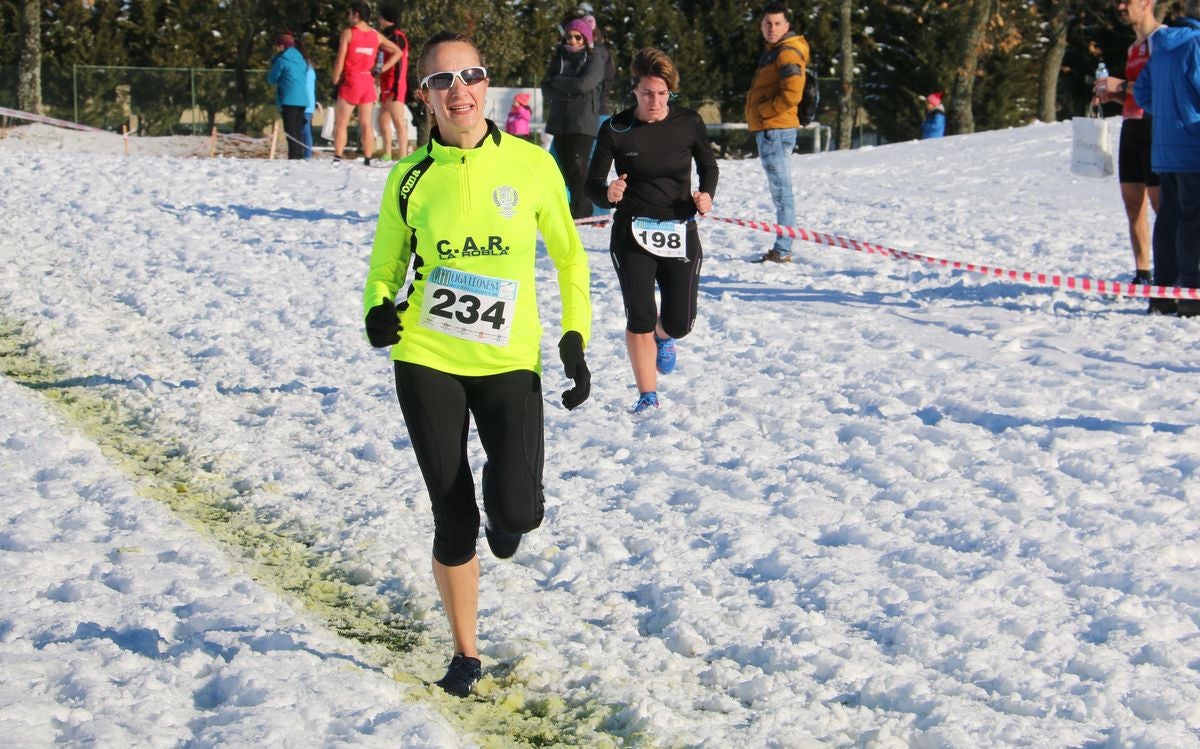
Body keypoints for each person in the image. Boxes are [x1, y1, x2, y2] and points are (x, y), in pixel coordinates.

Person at [361, 31, 592, 697]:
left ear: (487, 86)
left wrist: (576, 336)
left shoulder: (530, 164)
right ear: (424, 95)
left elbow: (571, 256)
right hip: (427, 355)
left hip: (509, 359)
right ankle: (465, 652)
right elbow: (387, 263)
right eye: (442, 80)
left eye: (471, 75)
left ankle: (506, 512)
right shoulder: (409, 177)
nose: (458, 90)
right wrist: (379, 308)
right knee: (452, 512)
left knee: (519, 510)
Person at [586, 48, 718, 415]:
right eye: (647, 93)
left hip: (680, 228)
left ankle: (664, 337)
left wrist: (706, 195)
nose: (655, 101)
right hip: (632, 232)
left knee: (680, 322)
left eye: (662, 94)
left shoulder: (688, 123)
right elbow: (592, 182)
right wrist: (607, 194)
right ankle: (648, 394)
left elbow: (709, 166)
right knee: (640, 315)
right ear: (635, 90)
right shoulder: (616, 128)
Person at [1134, 0, 1200, 316]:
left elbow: (1143, 95)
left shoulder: (1162, 46)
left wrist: (1169, 114)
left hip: (1164, 148)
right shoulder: (1198, 44)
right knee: (1193, 221)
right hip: (1193, 147)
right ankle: (1192, 295)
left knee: (1169, 219)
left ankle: (1163, 293)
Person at [1094, 0, 1164, 288]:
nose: (1121, 6)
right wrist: (1115, 96)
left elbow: (1161, 87)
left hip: (1155, 127)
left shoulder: (1163, 40)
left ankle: (1173, 271)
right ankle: (1143, 271)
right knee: (1132, 203)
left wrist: (1120, 85)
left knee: (1163, 206)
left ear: (1147, 3)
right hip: (1131, 125)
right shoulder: (1133, 48)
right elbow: (1139, 92)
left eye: (1127, 1)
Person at [746, 1, 809, 264]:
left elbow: (793, 94)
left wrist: (763, 112)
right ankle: (783, 247)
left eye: (777, 23)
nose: (772, 28)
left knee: (782, 193)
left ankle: (783, 249)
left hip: (776, 129)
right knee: (781, 192)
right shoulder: (776, 51)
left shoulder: (787, 52)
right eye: (767, 23)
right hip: (773, 128)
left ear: (787, 25)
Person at [541, 18, 606, 219]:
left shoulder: (595, 58)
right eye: (569, 36)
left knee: (578, 167)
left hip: (582, 122)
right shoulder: (559, 58)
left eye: (578, 36)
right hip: (560, 122)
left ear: (586, 39)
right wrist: (568, 90)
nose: (573, 40)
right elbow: (546, 87)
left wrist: (558, 82)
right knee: (565, 169)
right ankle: (579, 206)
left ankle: (581, 210)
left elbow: (584, 85)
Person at [331, 1, 402, 164]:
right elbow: (397, 52)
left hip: (351, 80)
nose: (348, 17)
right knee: (366, 123)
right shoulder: (375, 35)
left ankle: (338, 156)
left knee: (341, 121)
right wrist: (382, 69)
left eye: (349, 13)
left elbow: (339, 60)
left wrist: (335, 80)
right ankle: (368, 157)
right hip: (367, 81)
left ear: (356, 15)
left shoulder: (348, 33)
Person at [267, 32, 309, 160]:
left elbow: (271, 79)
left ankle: (294, 157)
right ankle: (299, 155)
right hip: (303, 99)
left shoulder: (282, 60)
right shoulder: (302, 59)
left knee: (290, 131)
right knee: (297, 130)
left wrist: (274, 63)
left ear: (281, 46)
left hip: (289, 99)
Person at [376, 5, 410, 161]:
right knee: (382, 120)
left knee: (397, 120)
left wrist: (382, 69)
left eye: (381, 16)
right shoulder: (386, 37)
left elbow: (399, 57)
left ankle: (403, 155)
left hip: (395, 84)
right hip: (384, 84)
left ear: (387, 18)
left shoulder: (397, 36)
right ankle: (387, 153)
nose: (378, 20)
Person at [298, 36, 320, 160]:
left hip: (303, 103)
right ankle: (307, 154)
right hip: (309, 103)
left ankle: (307, 154)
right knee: (306, 130)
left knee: (304, 131)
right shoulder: (310, 66)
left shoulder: (303, 67)